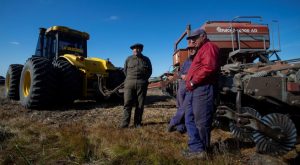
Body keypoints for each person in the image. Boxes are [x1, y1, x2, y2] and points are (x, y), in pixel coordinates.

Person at [182, 28, 220, 159]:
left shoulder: (209, 47)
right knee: (190, 118)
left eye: (195, 38)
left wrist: (193, 81)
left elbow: (209, 67)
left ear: (203, 36)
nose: (192, 41)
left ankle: (202, 150)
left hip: (203, 88)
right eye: (191, 39)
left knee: (201, 121)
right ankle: (195, 147)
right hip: (195, 90)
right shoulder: (201, 49)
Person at [121, 43, 152, 128]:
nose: (135, 50)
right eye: (134, 49)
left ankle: (137, 123)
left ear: (141, 50)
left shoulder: (146, 59)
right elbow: (125, 71)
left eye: (138, 48)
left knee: (140, 104)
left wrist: (143, 80)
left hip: (141, 84)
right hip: (129, 84)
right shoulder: (128, 59)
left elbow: (150, 71)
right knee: (127, 103)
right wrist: (130, 79)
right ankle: (125, 124)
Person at [168, 45, 197, 133]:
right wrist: (181, 75)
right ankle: (181, 127)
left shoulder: (198, 60)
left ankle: (173, 122)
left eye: (193, 49)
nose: (191, 50)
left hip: (191, 85)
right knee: (180, 106)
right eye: (189, 49)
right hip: (182, 85)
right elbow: (180, 72)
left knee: (186, 107)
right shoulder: (186, 61)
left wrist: (189, 76)